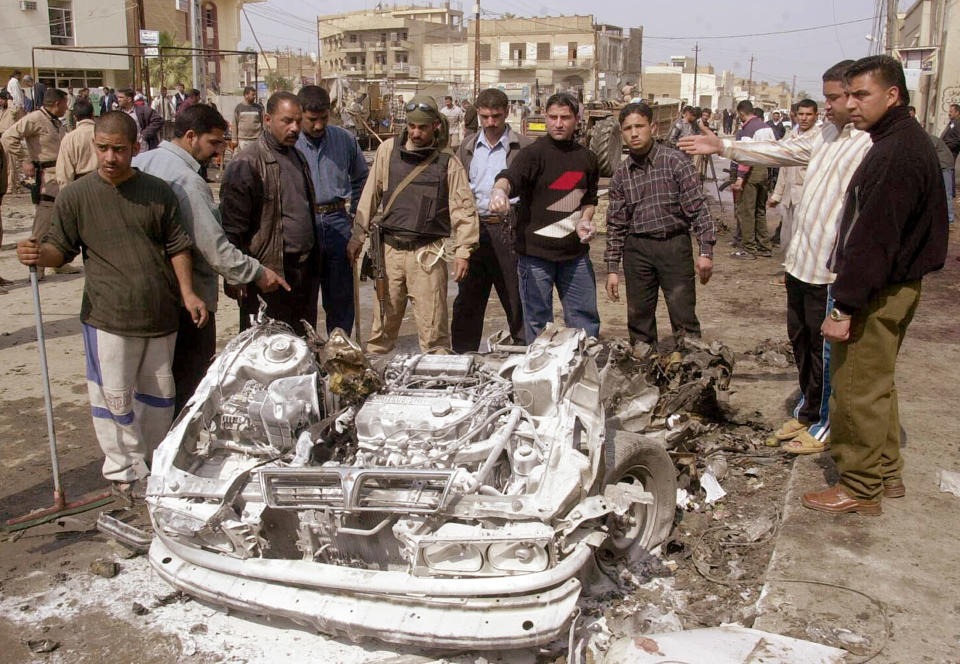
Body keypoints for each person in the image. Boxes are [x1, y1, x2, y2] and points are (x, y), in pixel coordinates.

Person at [680, 59, 874, 457]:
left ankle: (824, 425)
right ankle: (807, 412)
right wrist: (724, 146)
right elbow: (781, 150)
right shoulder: (825, 135)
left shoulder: (868, 144)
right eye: (830, 98)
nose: (832, 106)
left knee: (826, 353)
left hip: (829, 271)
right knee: (800, 342)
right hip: (800, 265)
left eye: (837, 98)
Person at [15, 111, 207, 499]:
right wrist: (37, 255)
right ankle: (122, 473)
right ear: (93, 147)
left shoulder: (157, 192)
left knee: (158, 399)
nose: (110, 157)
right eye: (102, 148)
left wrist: (188, 293)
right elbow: (60, 251)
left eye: (119, 150)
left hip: (160, 315)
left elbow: (177, 246)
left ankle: (154, 467)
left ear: (136, 149)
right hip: (107, 317)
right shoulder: (76, 196)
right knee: (113, 399)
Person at [802, 55, 948, 515]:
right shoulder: (900, 141)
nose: (851, 104)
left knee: (856, 387)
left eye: (862, 95)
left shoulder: (894, 152)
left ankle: (860, 486)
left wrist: (844, 306)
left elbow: (874, 238)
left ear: (893, 95)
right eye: (847, 95)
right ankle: (886, 472)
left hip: (879, 289)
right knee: (878, 384)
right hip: (894, 284)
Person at [134, 103, 289, 412]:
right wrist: (256, 273)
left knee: (148, 388)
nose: (218, 151)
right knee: (188, 382)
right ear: (191, 136)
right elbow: (215, 248)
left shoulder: (141, 162)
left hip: (146, 295)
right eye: (214, 142)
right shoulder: (188, 181)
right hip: (188, 301)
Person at [346, 94, 478, 354]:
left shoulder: (447, 162)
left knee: (434, 335)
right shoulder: (387, 151)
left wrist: (464, 251)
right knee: (381, 332)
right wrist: (357, 236)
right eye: (412, 126)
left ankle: (436, 387)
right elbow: (370, 195)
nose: (416, 133)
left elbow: (464, 210)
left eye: (423, 127)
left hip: (427, 255)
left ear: (435, 126)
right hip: (390, 254)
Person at [489, 92, 600, 342]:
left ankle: (582, 370)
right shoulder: (533, 154)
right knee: (538, 323)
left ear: (577, 119)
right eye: (553, 117)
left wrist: (585, 220)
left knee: (585, 321)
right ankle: (539, 375)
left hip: (575, 256)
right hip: (535, 257)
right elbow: (510, 178)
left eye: (565, 117)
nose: (558, 123)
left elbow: (589, 200)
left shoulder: (588, 159)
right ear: (545, 118)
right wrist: (499, 191)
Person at [605, 102, 715, 353]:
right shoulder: (621, 173)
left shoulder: (675, 161)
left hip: (673, 247)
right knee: (639, 320)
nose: (634, 133)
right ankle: (644, 375)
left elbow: (698, 207)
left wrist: (706, 252)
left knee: (683, 316)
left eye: (639, 126)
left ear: (652, 127)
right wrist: (612, 268)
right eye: (627, 128)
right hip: (637, 250)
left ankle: (693, 377)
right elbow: (616, 224)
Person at [220, 91, 320, 337]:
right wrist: (239, 276)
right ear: (267, 119)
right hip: (269, 275)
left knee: (301, 346)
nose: (295, 128)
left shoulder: (297, 156)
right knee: (266, 353)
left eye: (298, 121)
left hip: (303, 273)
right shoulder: (247, 163)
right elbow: (232, 229)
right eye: (287, 121)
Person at [451, 87, 532, 352]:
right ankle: (464, 357)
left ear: (507, 113)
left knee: (515, 296)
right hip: (474, 231)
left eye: (496, 116)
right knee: (468, 300)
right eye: (484, 117)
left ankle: (523, 355)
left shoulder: (523, 147)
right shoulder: (467, 147)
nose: (490, 123)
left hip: (509, 231)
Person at [295, 85, 369, 336]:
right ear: (300, 114)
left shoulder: (344, 139)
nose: (318, 126)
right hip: (302, 225)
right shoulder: (289, 142)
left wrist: (355, 223)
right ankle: (306, 354)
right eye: (312, 120)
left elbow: (362, 181)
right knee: (303, 297)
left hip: (338, 223)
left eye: (323, 119)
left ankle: (340, 353)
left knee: (340, 297)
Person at [2, 88, 70, 279]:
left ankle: (58, 261)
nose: (67, 107)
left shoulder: (56, 122)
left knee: (61, 221)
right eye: (65, 103)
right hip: (46, 177)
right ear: (57, 103)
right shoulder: (34, 119)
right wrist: (25, 159)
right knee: (43, 220)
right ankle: (37, 268)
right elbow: (8, 137)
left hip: (61, 174)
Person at [768, 99, 820, 254]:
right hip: (790, 196)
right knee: (787, 237)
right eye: (801, 114)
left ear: (816, 116)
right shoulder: (791, 136)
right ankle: (788, 271)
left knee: (803, 238)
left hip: (807, 196)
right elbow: (784, 167)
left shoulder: (819, 138)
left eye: (808, 114)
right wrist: (776, 195)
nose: (804, 118)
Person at [729, 100, 775, 259]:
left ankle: (749, 248)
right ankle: (764, 246)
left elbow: (746, 156)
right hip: (765, 170)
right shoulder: (767, 127)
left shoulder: (749, 128)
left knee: (746, 210)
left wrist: (740, 178)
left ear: (742, 112)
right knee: (760, 210)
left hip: (752, 170)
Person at [55, 98, 98, 187]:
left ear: (75, 117)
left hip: (81, 186)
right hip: (105, 184)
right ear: (92, 115)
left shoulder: (69, 139)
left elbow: (64, 173)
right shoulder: (105, 134)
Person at [232, 86, 264, 154]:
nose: (254, 96)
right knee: (244, 160)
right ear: (246, 95)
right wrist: (234, 139)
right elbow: (234, 123)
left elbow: (264, 123)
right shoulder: (239, 108)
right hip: (243, 140)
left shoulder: (259, 108)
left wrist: (264, 138)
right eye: (252, 95)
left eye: (254, 95)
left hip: (256, 139)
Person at [0, 90, 18, 195]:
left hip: (9, 138)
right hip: (2, 137)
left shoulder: (12, 109)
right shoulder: (3, 111)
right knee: (3, 164)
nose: (0, 101)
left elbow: (15, 110)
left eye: (2, 99)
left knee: (11, 163)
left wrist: (10, 100)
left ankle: (11, 186)